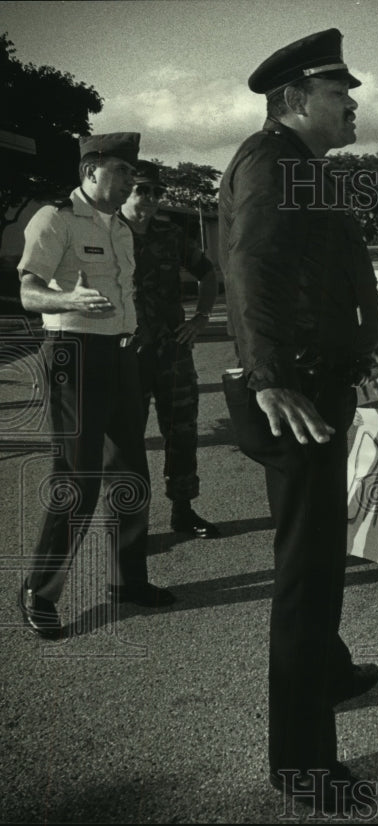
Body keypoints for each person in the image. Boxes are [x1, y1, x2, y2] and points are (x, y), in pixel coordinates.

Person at [218, 27, 378, 813]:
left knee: (322, 553)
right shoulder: (270, 164)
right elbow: (251, 265)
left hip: (321, 386)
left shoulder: (303, 168)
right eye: (339, 93)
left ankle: (326, 671)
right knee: (306, 576)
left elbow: (318, 278)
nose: (352, 103)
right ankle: (300, 763)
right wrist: (268, 377)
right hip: (292, 398)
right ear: (294, 100)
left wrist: (361, 348)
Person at [17, 133, 176, 641]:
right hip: (74, 355)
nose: (132, 181)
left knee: (132, 474)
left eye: (133, 174)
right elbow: (27, 293)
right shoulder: (55, 218)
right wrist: (69, 301)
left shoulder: (122, 228)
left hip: (122, 355)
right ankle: (40, 591)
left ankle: (128, 581)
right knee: (78, 479)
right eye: (124, 173)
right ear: (92, 172)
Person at [119, 161, 221, 539]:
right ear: (126, 190)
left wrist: (202, 318)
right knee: (128, 439)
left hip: (172, 351)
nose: (150, 199)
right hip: (126, 352)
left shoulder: (170, 234)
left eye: (157, 192)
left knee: (182, 431)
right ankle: (132, 525)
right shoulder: (108, 231)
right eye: (142, 190)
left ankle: (183, 509)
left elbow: (207, 273)